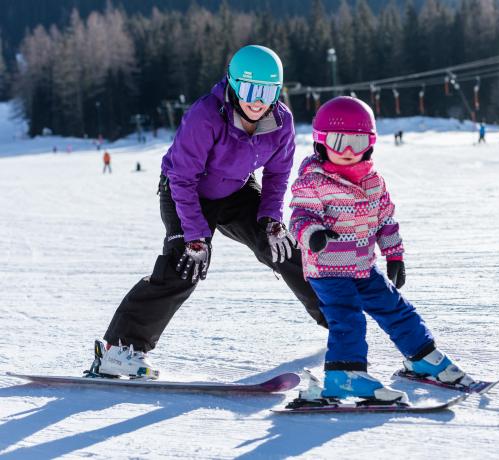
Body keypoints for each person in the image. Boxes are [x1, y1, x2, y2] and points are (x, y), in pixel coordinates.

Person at [90, 45, 326, 379]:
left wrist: (271, 220)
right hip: (185, 192)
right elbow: (182, 177)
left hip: (236, 189)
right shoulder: (206, 115)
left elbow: (276, 176)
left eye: (267, 92)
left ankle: (336, 316)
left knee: (280, 246)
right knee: (183, 265)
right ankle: (118, 350)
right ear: (232, 84)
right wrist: (196, 237)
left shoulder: (280, 122)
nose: (257, 101)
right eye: (249, 89)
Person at [289, 97, 478, 403]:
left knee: (396, 308)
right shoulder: (313, 182)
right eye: (340, 142)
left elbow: (385, 220)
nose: (349, 151)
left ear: (371, 142)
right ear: (322, 142)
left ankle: (421, 356)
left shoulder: (374, 182)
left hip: (363, 266)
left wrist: (395, 255)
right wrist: (312, 235)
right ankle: (343, 376)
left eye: (358, 141)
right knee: (348, 318)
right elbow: (300, 216)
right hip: (327, 269)